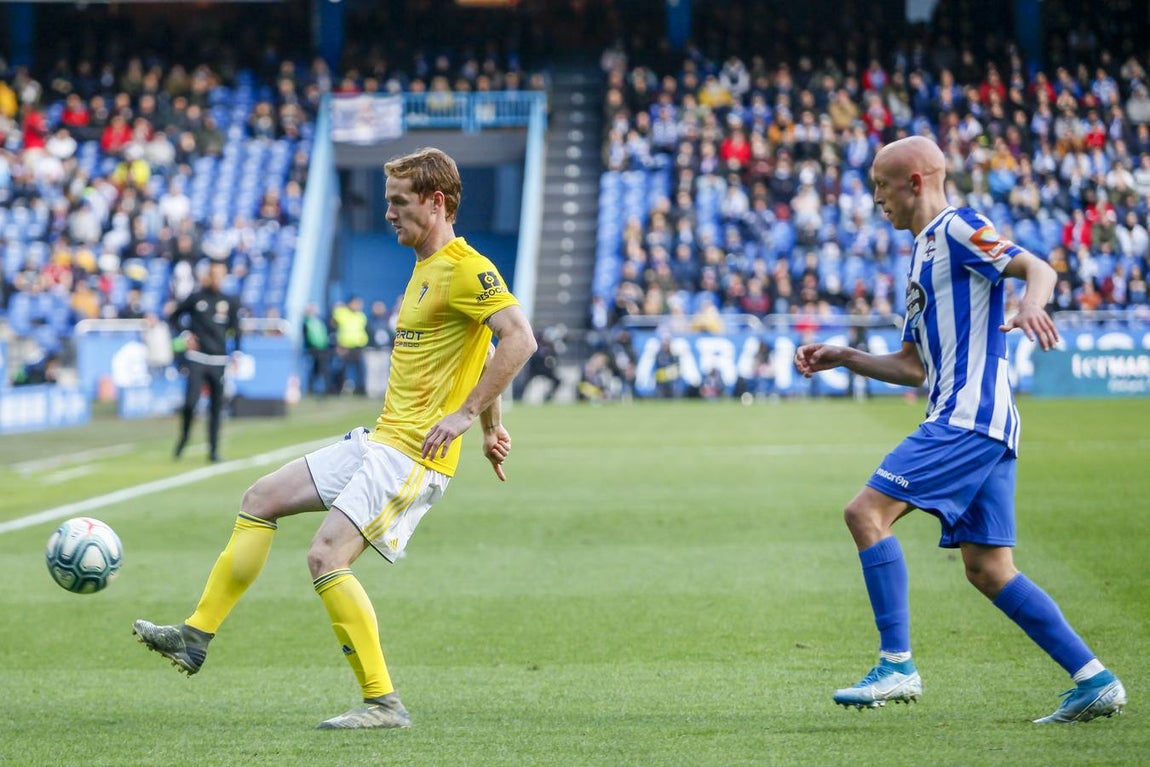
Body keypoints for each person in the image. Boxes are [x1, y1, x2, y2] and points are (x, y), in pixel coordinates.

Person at [132, 147, 537, 730]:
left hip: (413, 455)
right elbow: (485, 346)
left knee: (325, 556)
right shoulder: (424, 266)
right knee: (259, 498)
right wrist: (493, 426)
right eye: (388, 202)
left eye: (399, 203)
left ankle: (383, 703)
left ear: (436, 202)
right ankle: (195, 636)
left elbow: (519, 338)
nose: (389, 214)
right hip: (382, 441)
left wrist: (469, 417)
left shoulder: (465, 266)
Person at [793, 135, 1126, 724]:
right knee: (988, 569)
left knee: (865, 514)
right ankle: (1094, 679)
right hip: (985, 423)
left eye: (881, 185)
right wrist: (845, 356)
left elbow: (1037, 267)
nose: (875, 199)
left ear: (915, 182)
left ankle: (896, 663)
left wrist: (1030, 302)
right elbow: (914, 366)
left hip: (965, 418)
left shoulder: (955, 228)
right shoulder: (923, 254)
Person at [168, 260, 242, 463]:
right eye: (214, 274)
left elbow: (237, 329)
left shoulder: (230, 301)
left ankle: (214, 450)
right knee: (190, 403)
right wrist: (185, 335)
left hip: (218, 360)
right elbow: (173, 316)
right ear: (207, 276)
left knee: (217, 406)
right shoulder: (196, 297)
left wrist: (236, 354)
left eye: (221, 275)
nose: (217, 279)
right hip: (197, 358)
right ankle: (183, 439)